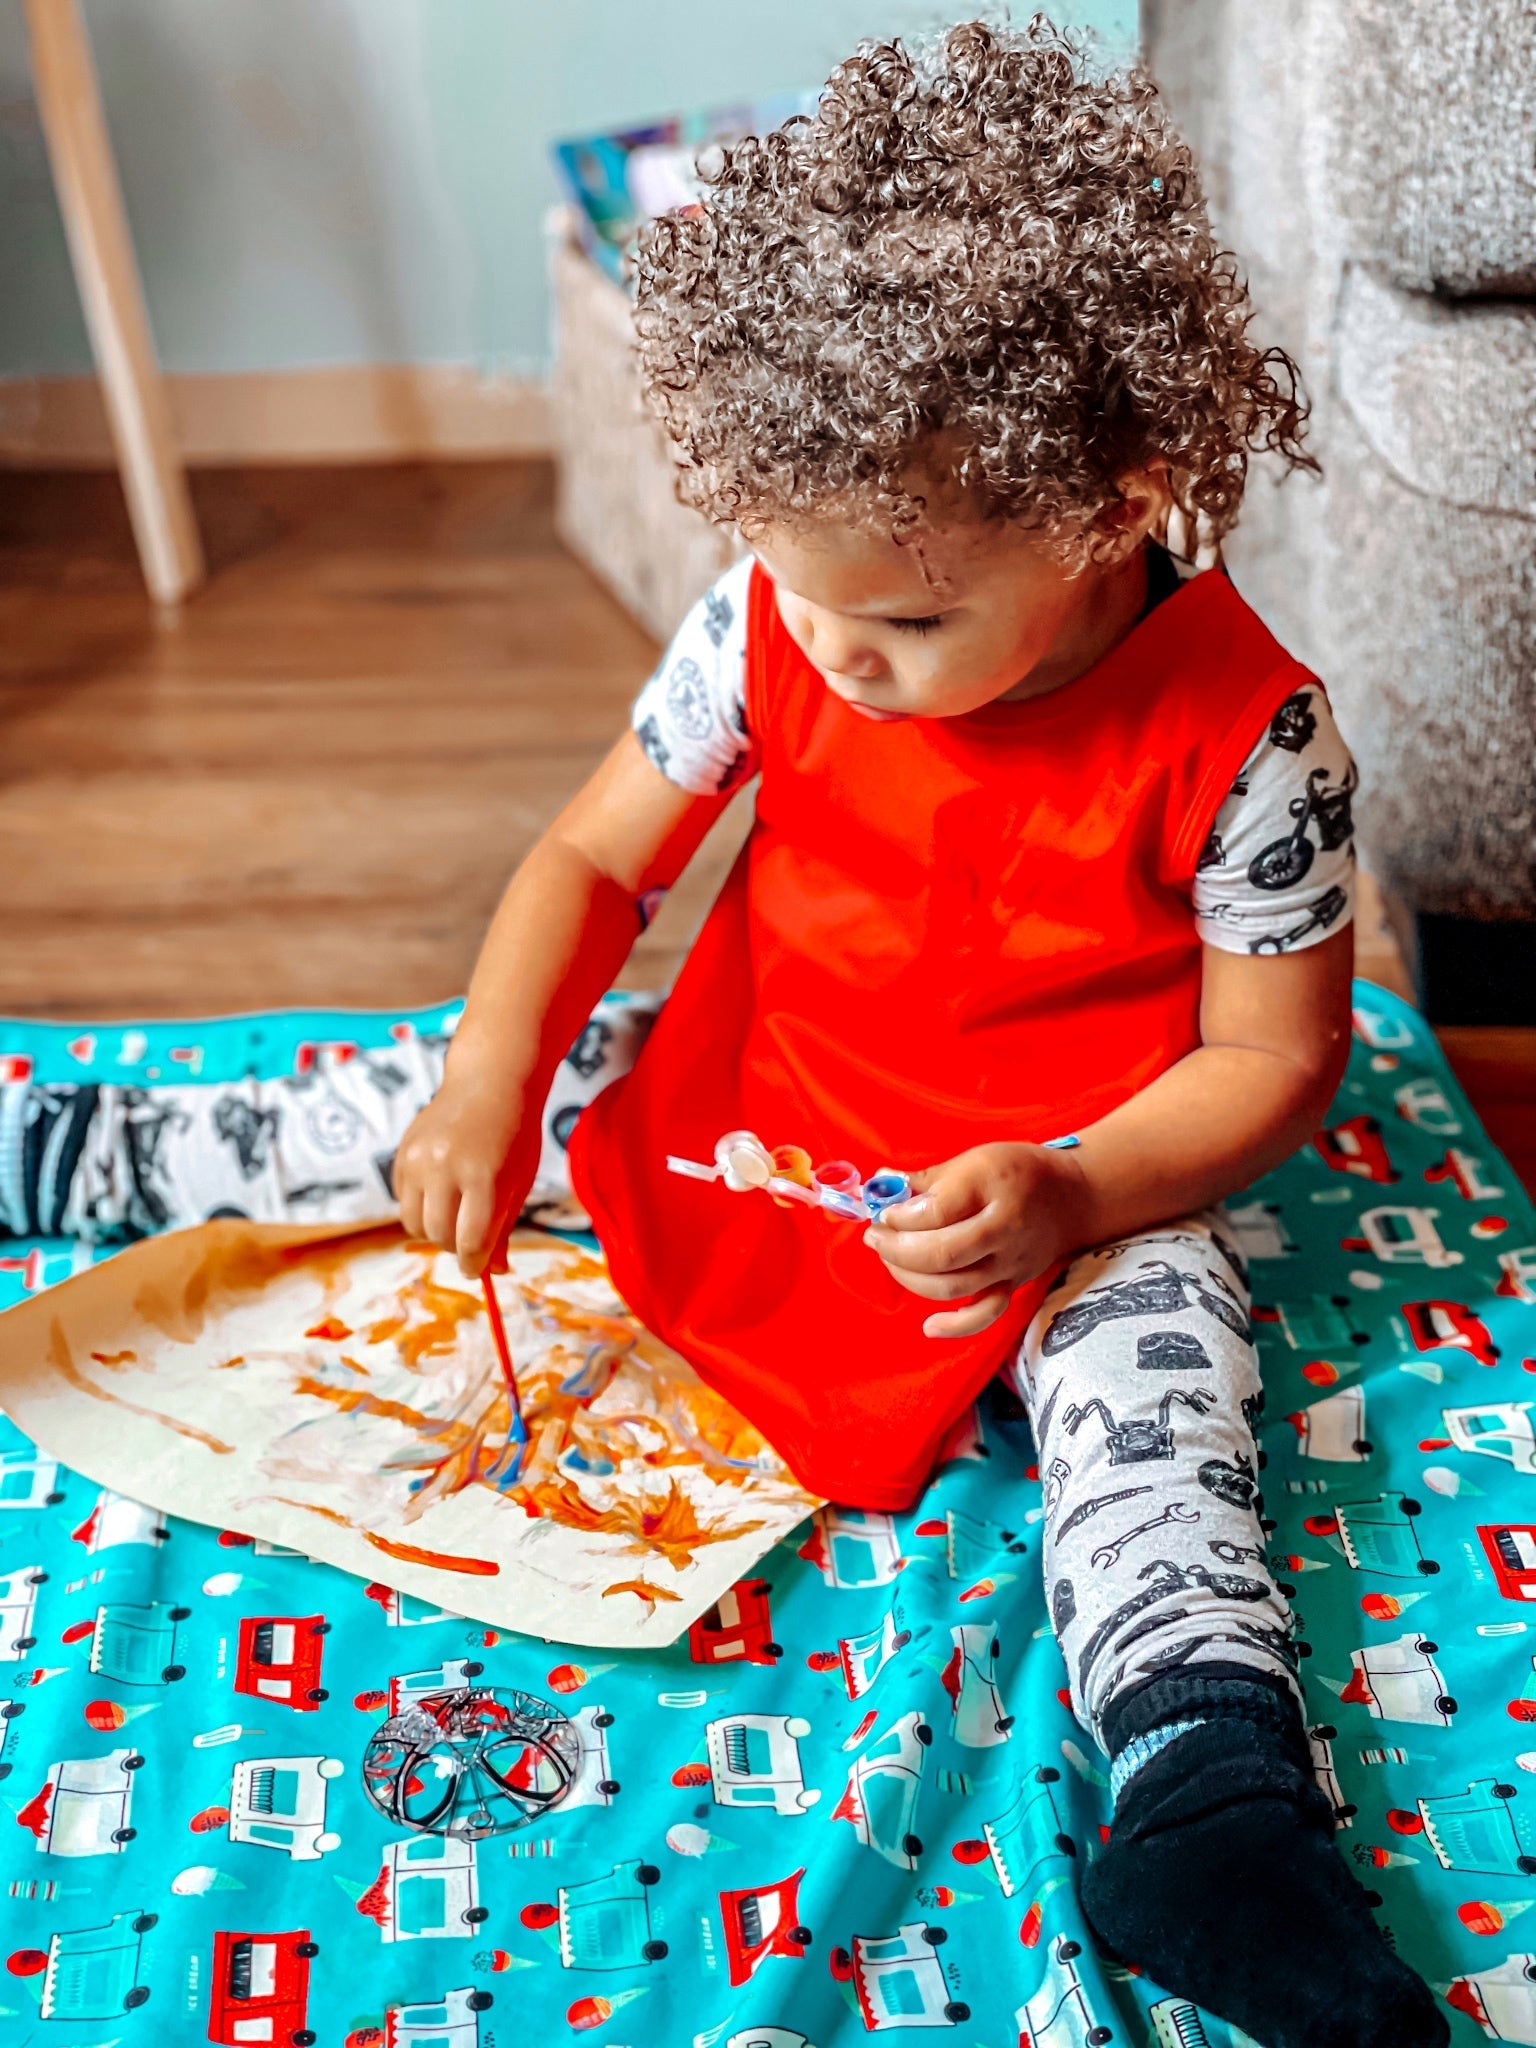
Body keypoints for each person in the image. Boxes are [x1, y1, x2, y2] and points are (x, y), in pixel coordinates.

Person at [1, 23, 1443, 2046]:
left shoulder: (1253, 739)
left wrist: (1082, 1185)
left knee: (1166, 1361)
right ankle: (76, 1152)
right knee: (466, 1086)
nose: (838, 651)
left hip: (1047, 1174)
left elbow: (1277, 1060)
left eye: (912, 623)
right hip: (766, 1101)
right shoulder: (783, 613)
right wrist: (500, 1065)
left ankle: (1208, 1795)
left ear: (1118, 500)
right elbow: (595, 865)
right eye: (800, 588)